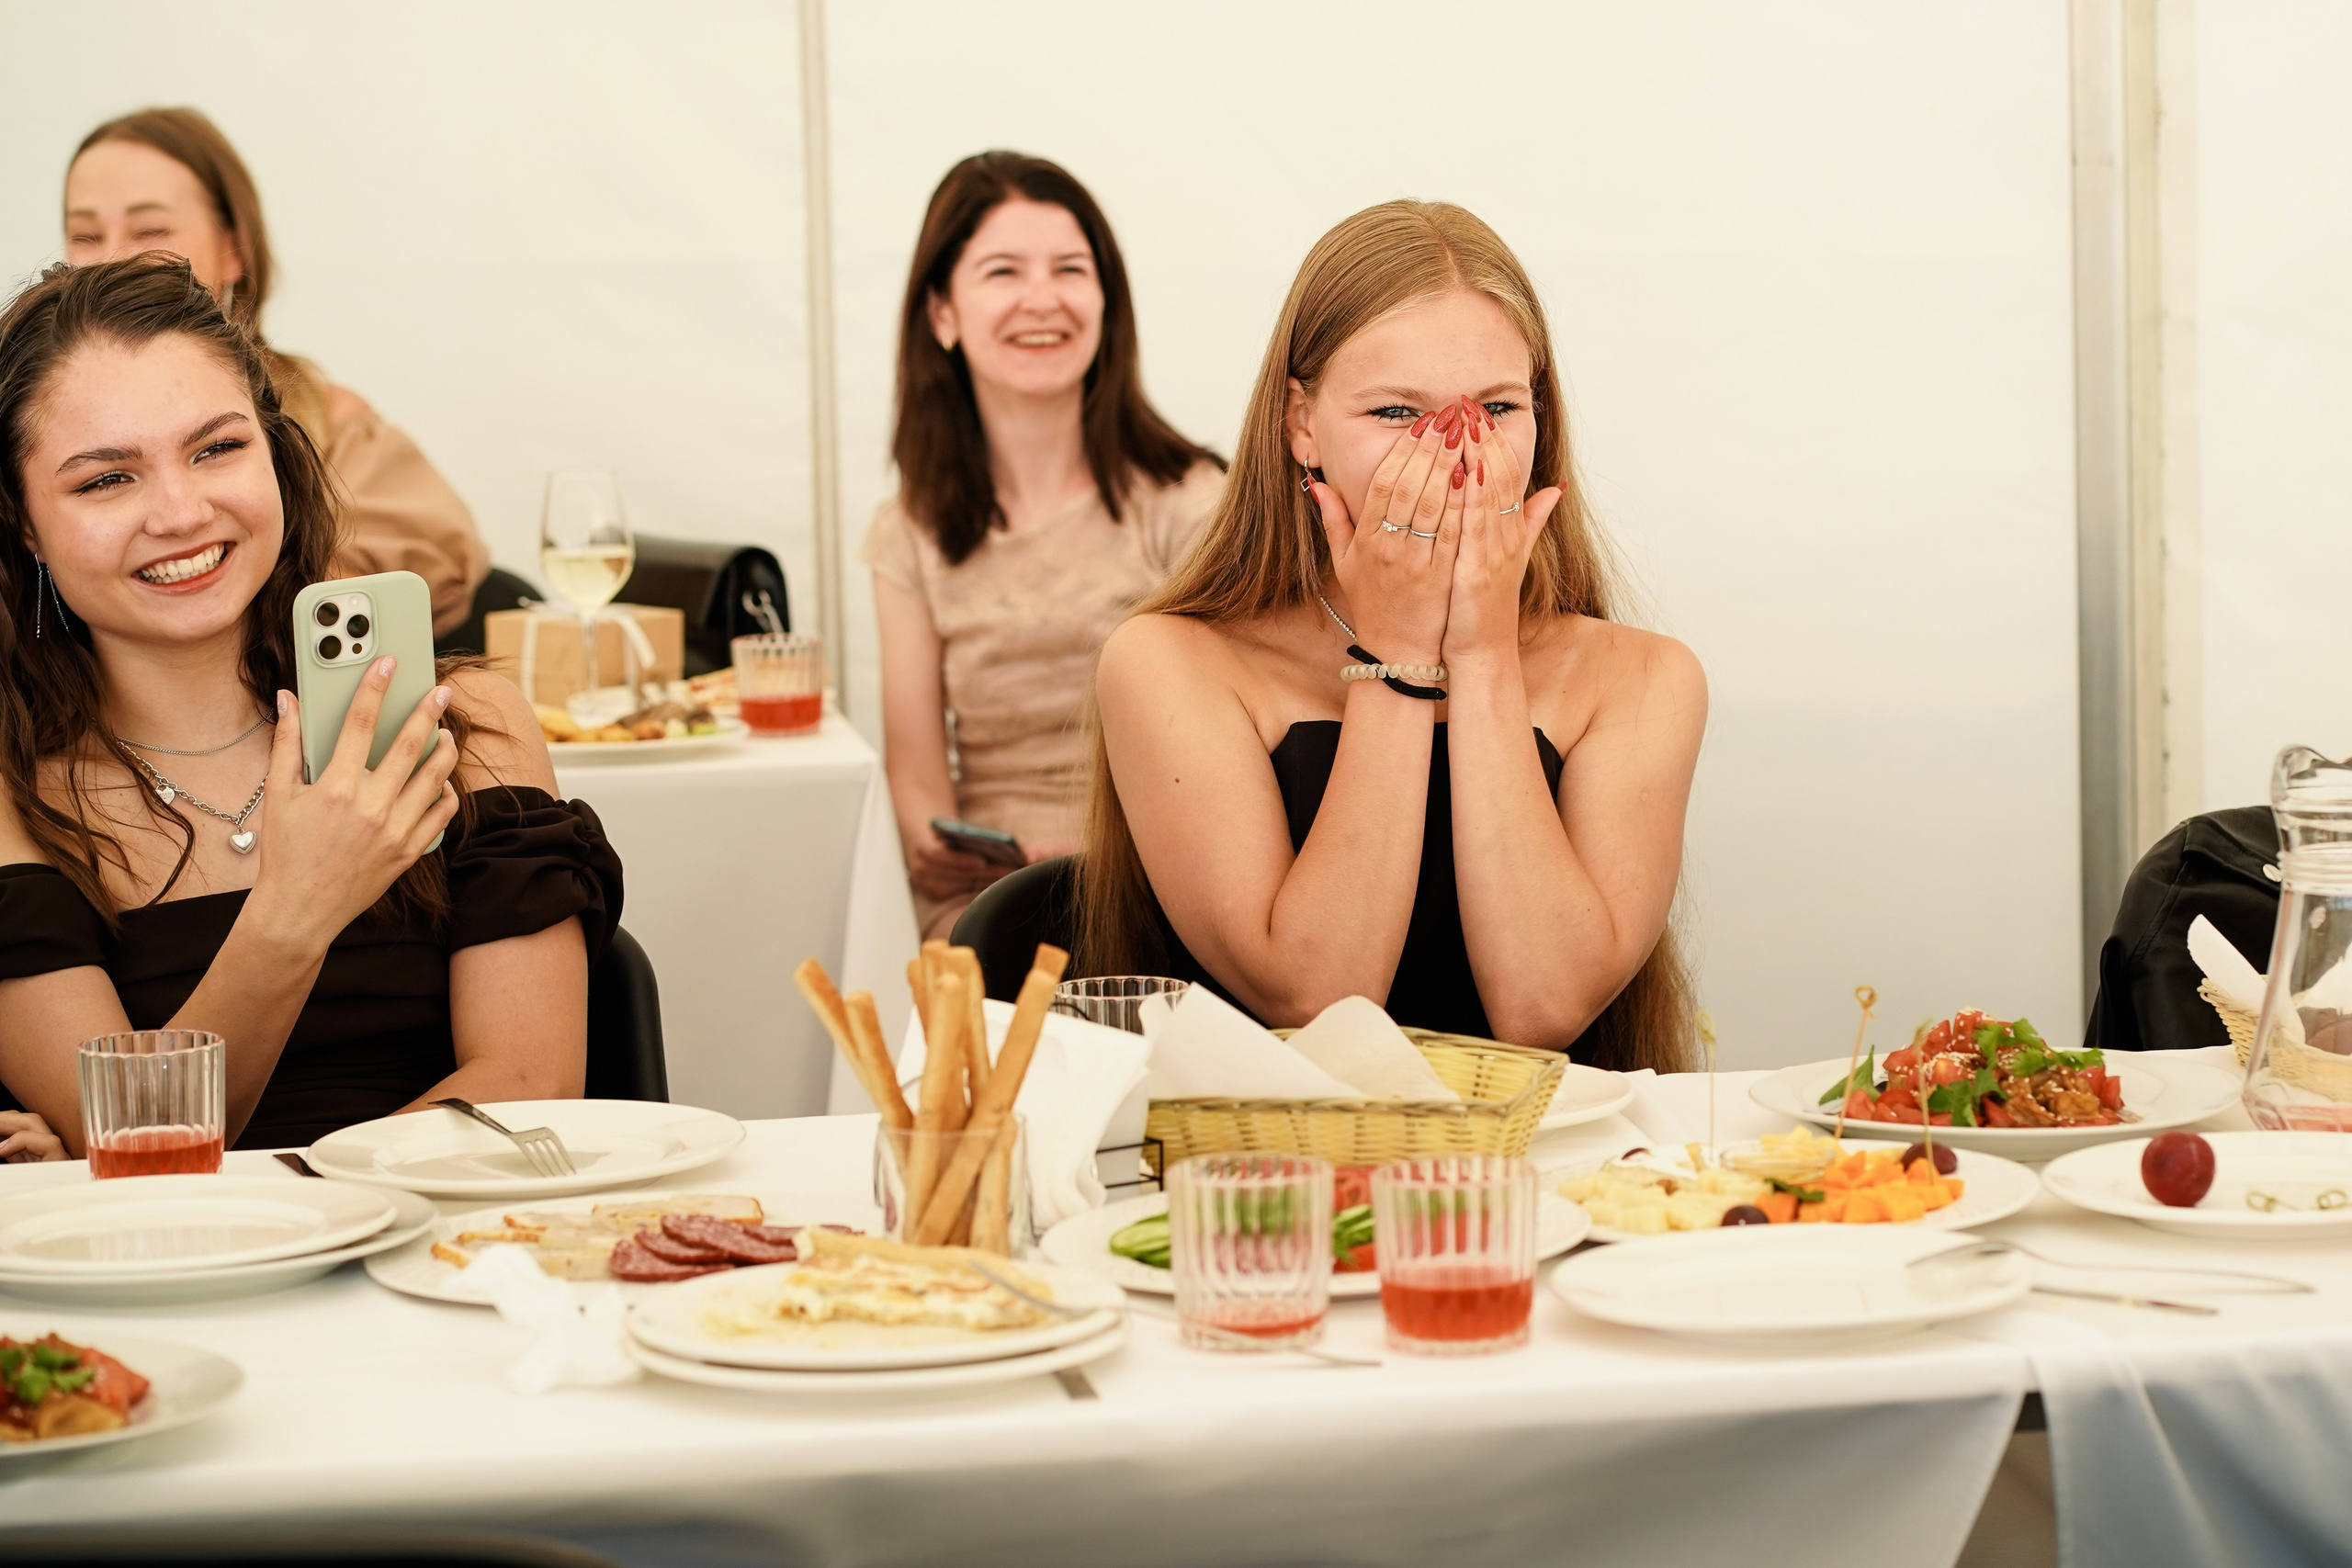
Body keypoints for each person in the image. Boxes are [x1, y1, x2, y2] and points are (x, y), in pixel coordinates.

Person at [0, 254, 618, 1152]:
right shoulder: (17, 796)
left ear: (277, 456)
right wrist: (299, 906)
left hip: (442, 1265)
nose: (180, 511)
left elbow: (531, 1086)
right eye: (106, 479)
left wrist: (290, 1200)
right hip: (174, 1282)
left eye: (218, 449)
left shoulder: (462, 725)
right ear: (22, 521)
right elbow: (140, 1137)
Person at [1080, 201, 1704, 1069]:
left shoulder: (1644, 678)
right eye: (1397, 414)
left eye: (1496, 405)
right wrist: (1397, 655)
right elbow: (1317, 1000)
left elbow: (1541, 1007)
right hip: (1269, 1181)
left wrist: (1481, 656)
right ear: (1302, 426)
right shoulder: (1170, 662)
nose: (1456, 456)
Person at [863, 152, 1224, 940]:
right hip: (984, 902)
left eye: (1069, 269)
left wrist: (1088, 854)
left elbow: (1235, 755)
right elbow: (918, 777)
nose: (1042, 299)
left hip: (1162, 875)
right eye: (1002, 272)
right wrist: (938, 845)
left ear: (1105, 304)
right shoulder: (907, 530)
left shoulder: (1189, 502)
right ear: (943, 315)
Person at [63, 107, 491, 636]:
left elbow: (429, 569)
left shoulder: (328, 418)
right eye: (84, 236)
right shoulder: (28, 417)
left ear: (233, 248)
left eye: (150, 229)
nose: (113, 259)